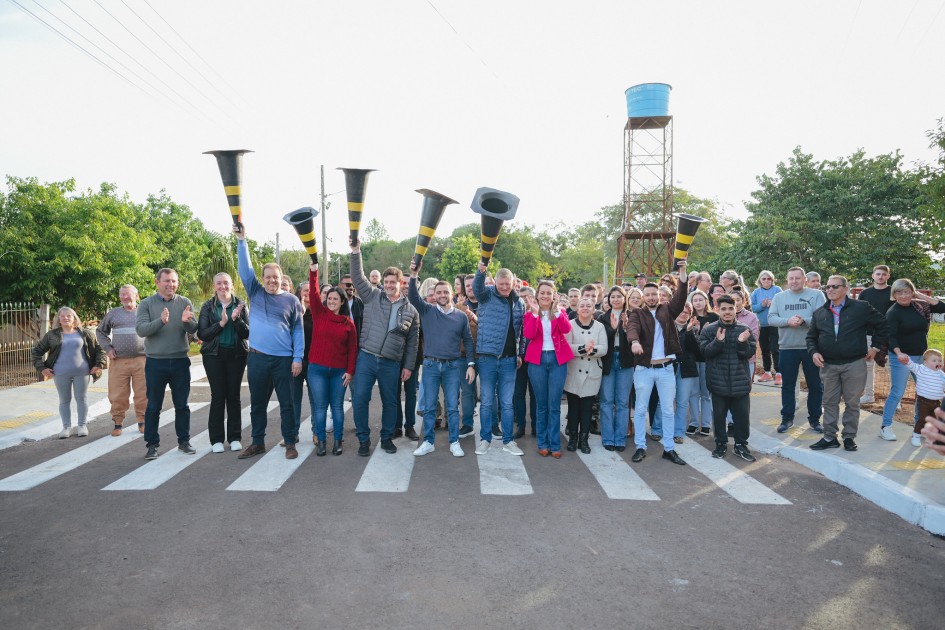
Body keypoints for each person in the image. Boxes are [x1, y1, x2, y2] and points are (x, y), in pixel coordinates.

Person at [234, 226, 305, 460]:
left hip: (283, 359)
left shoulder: (292, 301)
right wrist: (242, 240)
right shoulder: (256, 293)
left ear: (281, 278)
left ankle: (290, 442)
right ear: (262, 280)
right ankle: (257, 442)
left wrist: (297, 358)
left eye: (276, 277)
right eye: (268, 277)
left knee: (287, 404)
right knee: (257, 404)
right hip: (257, 358)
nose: (272, 281)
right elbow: (245, 270)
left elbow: (298, 330)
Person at [349, 239, 419, 456]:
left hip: (391, 363)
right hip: (367, 358)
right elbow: (357, 277)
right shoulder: (372, 296)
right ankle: (363, 439)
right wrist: (355, 252)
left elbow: (412, 343)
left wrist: (408, 366)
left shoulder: (411, 311)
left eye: (392, 282)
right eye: (386, 282)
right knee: (360, 398)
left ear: (401, 284)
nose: (388, 285)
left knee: (391, 401)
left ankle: (387, 437)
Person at [807, 275, 889, 451]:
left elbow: (883, 324)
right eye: (827, 287)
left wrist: (875, 347)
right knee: (829, 402)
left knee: (852, 402)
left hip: (854, 363)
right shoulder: (820, 312)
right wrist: (814, 352)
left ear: (846, 289)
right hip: (828, 365)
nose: (830, 290)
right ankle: (830, 437)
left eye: (835, 286)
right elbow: (811, 337)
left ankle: (849, 437)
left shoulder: (860, 307)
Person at [407, 260, 475, 457]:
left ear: (451, 294)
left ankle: (454, 441)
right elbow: (412, 296)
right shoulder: (427, 311)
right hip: (430, 366)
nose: (443, 295)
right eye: (439, 292)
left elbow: (469, 342)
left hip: (453, 366)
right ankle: (428, 441)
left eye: (446, 292)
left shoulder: (461, 317)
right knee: (429, 407)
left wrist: (471, 364)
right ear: (434, 296)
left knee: (453, 406)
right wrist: (414, 275)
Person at [626, 260, 688, 465]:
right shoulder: (637, 313)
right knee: (641, 409)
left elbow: (681, 297)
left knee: (668, 410)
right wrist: (634, 341)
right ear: (643, 297)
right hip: (644, 369)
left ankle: (669, 449)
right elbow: (632, 329)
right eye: (649, 295)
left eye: (655, 295)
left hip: (666, 369)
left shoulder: (667, 311)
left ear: (660, 296)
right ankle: (640, 447)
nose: (652, 298)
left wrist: (682, 272)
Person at [135, 268, 200, 460]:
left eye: (174, 281)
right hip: (156, 362)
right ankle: (152, 445)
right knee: (154, 406)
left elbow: (193, 328)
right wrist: (161, 321)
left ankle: (184, 441)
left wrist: (186, 322)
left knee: (182, 405)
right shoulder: (146, 303)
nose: (171, 284)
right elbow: (141, 329)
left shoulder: (184, 302)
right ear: (157, 282)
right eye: (167, 281)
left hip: (180, 361)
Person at [880, 279, 945, 441]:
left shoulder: (919, 306)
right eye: (899, 292)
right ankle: (885, 426)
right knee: (897, 392)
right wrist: (899, 353)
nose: (903, 296)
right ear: (894, 295)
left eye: (907, 292)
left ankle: (920, 427)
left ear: (912, 292)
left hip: (922, 357)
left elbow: (942, 307)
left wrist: (919, 295)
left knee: (923, 392)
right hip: (902, 357)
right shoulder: (893, 312)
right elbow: (891, 336)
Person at [472, 262, 526, 457]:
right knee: (486, 401)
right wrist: (481, 272)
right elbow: (476, 288)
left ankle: (508, 441)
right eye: (501, 284)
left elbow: (521, 333)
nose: (504, 287)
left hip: (509, 361)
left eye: (508, 284)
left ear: (513, 283)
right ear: (496, 283)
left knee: (507, 403)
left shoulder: (520, 303)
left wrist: (519, 354)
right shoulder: (487, 295)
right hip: (488, 358)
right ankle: (485, 439)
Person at [307, 264, 358, 456]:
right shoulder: (319, 314)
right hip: (317, 369)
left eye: (336, 299)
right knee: (320, 407)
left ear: (342, 301)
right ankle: (321, 441)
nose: (332, 301)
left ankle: (338, 441)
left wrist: (350, 371)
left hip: (339, 372)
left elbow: (353, 350)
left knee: (337, 407)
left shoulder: (348, 324)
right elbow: (312, 291)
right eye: (329, 298)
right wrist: (314, 271)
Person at [699, 294, 758, 461]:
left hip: (740, 383)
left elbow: (748, 353)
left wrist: (742, 342)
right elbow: (705, 353)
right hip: (718, 383)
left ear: (735, 309)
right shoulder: (709, 330)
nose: (727, 312)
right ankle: (720, 444)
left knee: (742, 418)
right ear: (717, 310)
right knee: (719, 417)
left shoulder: (744, 329)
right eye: (723, 309)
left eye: (730, 308)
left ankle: (740, 445)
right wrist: (717, 341)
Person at [32, 307, 106, 439]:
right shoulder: (52, 335)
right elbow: (36, 352)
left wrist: (98, 365)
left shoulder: (85, 333)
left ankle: (82, 425)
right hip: (60, 373)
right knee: (64, 400)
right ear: (58, 319)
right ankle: (66, 427)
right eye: (62, 316)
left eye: (69, 316)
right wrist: (41, 368)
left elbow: (99, 350)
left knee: (81, 398)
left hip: (82, 372)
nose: (66, 318)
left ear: (74, 318)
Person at [767, 267, 825, 434]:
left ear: (804, 280)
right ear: (787, 280)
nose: (794, 281)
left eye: (797, 278)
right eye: (791, 278)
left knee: (815, 385)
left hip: (811, 348)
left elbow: (822, 317)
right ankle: (787, 418)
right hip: (787, 347)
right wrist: (787, 321)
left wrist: (804, 321)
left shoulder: (816, 295)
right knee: (788, 386)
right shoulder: (779, 297)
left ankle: (814, 419)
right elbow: (771, 318)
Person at [197, 272, 249, 453]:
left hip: (236, 355)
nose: (222, 286)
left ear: (231, 284)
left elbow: (247, 333)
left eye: (225, 283)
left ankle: (234, 437)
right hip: (213, 356)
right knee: (218, 396)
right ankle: (216, 439)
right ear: (214, 286)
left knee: (233, 396)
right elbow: (202, 334)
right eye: (218, 283)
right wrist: (221, 323)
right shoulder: (208, 306)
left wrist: (235, 320)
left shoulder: (241, 304)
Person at [523, 281, 573, 457]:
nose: (545, 296)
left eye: (548, 293)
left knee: (554, 405)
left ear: (554, 296)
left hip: (557, 360)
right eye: (542, 293)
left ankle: (555, 444)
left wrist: (558, 310)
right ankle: (542, 443)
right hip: (537, 361)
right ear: (537, 295)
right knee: (541, 405)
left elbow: (566, 329)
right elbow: (528, 335)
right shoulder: (530, 314)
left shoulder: (561, 312)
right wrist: (536, 315)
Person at [96, 285, 146, 436]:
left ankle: (142, 421)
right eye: (122, 295)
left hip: (142, 360)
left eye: (128, 294)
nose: (125, 297)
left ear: (137, 296)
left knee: (143, 392)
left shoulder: (145, 313)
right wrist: (108, 348)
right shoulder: (113, 314)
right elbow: (100, 332)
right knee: (117, 394)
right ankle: (118, 423)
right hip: (119, 361)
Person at [564, 297, 607, 454]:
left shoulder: (600, 327)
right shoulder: (570, 325)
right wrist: (582, 348)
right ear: (577, 308)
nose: (585, 308)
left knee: (587, 408)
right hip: (574, 371)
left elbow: (604, 348)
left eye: (589, 306)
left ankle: (584, 439)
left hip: (592, 371)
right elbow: (566, 346)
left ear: (593, 309)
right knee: (574, 408)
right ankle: (573, 438)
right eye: (582, 305)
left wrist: (592, 350)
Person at [598, 286, 634, 451]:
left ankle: (619, 438)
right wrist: (613, 329)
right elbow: (602, 338)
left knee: (622, 402)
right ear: (609, 299)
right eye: (613, 297)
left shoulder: (632, 316)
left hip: (625, 361)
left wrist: (626, 328)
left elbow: (636, 338)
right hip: (608, 360)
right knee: (606, 401)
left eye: (619, 296)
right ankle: (607, 438)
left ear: (624, 298)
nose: (616, 299)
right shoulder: (602, 317)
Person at [856, 264, 892, 404]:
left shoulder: (893, 292)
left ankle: (895, 400)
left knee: (890, 367)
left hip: (889, 334)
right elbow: (859, 313)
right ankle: (869, 395)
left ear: (888, 276)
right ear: (873, 276)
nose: (881, 276)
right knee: (868, 365)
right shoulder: (865, 293)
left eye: (884, 274)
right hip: (869, 333)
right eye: (878, 274)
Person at [684, 290, 718, 436]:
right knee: (693, 393)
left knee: (705, 393)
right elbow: (686, 340)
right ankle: (693, 422)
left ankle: (705, 424)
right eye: (695, 300)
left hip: (707, 359)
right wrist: (695, 331)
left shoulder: (714, 317)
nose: (698, 302)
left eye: (700, 299)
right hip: (692, 360)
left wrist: (705, 331)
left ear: (706, 301)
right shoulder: (688, 317)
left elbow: (717, 338)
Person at [287, 280, 313, 445]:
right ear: (298, 294)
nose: (308, 294)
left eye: (311, 291)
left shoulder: (320, 312)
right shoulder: (292, 312)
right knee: (294, 400)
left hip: (314, 364)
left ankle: (317, 432)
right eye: (305, 291)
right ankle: (293, 433)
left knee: (316, 399)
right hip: (295, 362)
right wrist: (301, 314)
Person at [906, 350, 945, 447]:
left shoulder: (942, 374)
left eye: (940, 360)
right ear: (926, 362)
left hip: (936, 403)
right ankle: (916, 436)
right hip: (923, 401)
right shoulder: (921, 369)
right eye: (934, 360)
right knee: (923, 419)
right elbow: (911, 365)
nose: (938, 363)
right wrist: (906, 360)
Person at [514, 285, 538, 438]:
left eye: (527, 297)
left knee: (535, 394)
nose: (524, 300)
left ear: (533, 298)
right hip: (519, 359)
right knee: (518, 394)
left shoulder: (539, 314)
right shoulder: (516, 315)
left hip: (535, 360)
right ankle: (521, 425)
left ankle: (536, 426)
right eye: (521, 298)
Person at [751, 270, 781, 384]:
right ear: (760, 280)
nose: (766, 281)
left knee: (775, 349)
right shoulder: (756, 292)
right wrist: (762, 305)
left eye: (769, 279)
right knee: (765, 349)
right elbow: (753, 308)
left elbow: (782, 305)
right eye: (764, 279)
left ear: (772, 280)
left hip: (775, 324)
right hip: (762, 325)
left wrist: (773, 303)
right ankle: (767, 372)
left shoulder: (777, 290)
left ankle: (779, 373)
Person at [339, 274, 365, 340]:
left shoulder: (359, 302)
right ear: (340, 286)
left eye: (353, 285)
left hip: (357, 342)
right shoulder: (335, 303)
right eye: (348, 285)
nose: (351, 287)